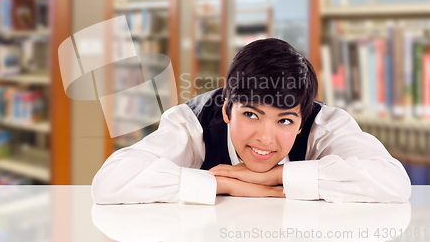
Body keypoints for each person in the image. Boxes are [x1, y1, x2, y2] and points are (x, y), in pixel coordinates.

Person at [92, 38, 411, 205]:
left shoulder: (326, 123)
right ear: (228, 109)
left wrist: (274, 177)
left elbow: (394, 183)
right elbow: (110, 182)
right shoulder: (191, 121)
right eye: (250, 115)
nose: (266, 138)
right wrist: (223, 182)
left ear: (301, 122)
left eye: (285, 121)